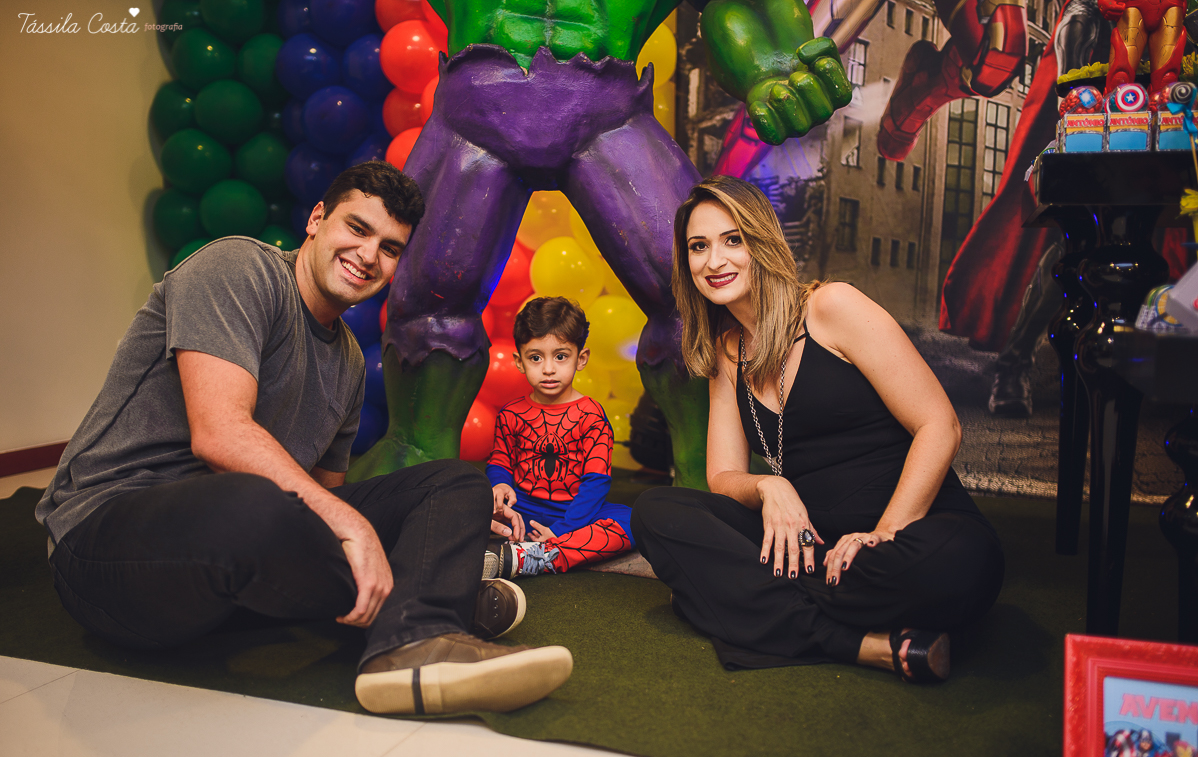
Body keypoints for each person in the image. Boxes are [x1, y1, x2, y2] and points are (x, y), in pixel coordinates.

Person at [35, 161, 573, 715]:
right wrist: (368, 531)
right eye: (357, 229)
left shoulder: (347, 363)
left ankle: (414, 639)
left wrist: (431, 524)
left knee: (457, 482)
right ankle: (429, 595)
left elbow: (319, 511)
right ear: (317, 219)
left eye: (390, 248)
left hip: (231, 563)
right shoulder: (238, 267)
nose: (369, 255)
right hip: (104, 547)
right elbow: (220, 435)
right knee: (257, 503)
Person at [632, 175, 1004, 682]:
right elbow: (721, 477)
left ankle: (744, 602)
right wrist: (770, 485)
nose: (715, 261)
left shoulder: (831, 307)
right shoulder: (726, 350)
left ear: (760, 242)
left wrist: (882, 535)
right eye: (699, 247)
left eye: (732, 240)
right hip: (813, 550)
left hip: (909, 535)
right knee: (658, 512)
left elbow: (940, 425)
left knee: (960, 563)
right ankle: (862, 644)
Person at [483, 297, 634, 578]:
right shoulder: (511, 413)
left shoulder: (592, 415)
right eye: (536, 357)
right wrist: (500, 485)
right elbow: (500, 459)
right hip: (523, 509)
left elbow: (596, 482)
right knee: (467, 502)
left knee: (632, 522)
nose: (549, 369)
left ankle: (543, 556)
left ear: (581, 358)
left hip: (578, 512)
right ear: (519, 361)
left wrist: (562, 530)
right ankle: (527, 546)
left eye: (561, 356)